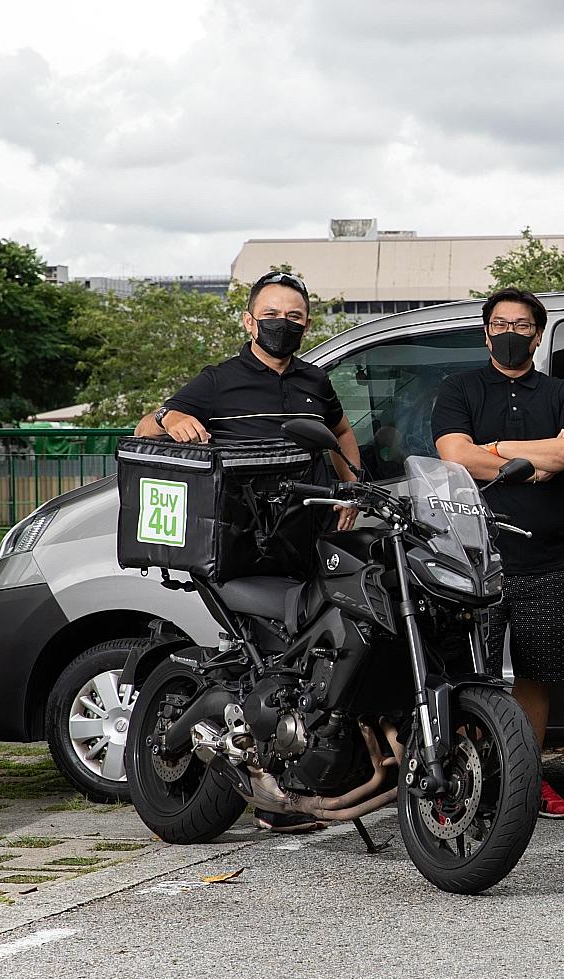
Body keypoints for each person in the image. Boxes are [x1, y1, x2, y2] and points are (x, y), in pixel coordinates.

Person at [135, 268, 363, 831]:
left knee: (309, 655)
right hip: (238, 544)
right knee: (274, 658)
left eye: (294, 318)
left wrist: (352, 484)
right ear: (248, 320)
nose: (282, 326)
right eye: (271, 316)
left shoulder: (315, 381)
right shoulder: (218, 381)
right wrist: (173, 417)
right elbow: (147, 429)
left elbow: (340, 433)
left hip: (304, 538)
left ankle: (305, 773)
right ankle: (271, 797)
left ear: (306, 325)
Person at [432, 288, 564, 820]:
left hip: (548, 557)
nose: (511, 334)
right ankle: (463, 783)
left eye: (522, 326)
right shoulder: (460, 388)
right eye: (501, 324)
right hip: (471, 561)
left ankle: (528, 780)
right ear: (486, 332)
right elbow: (455, 456)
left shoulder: (561, 390)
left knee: (535, 677)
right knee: (467, 677)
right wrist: (531, 456)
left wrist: (494, 450)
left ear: (538, 334)